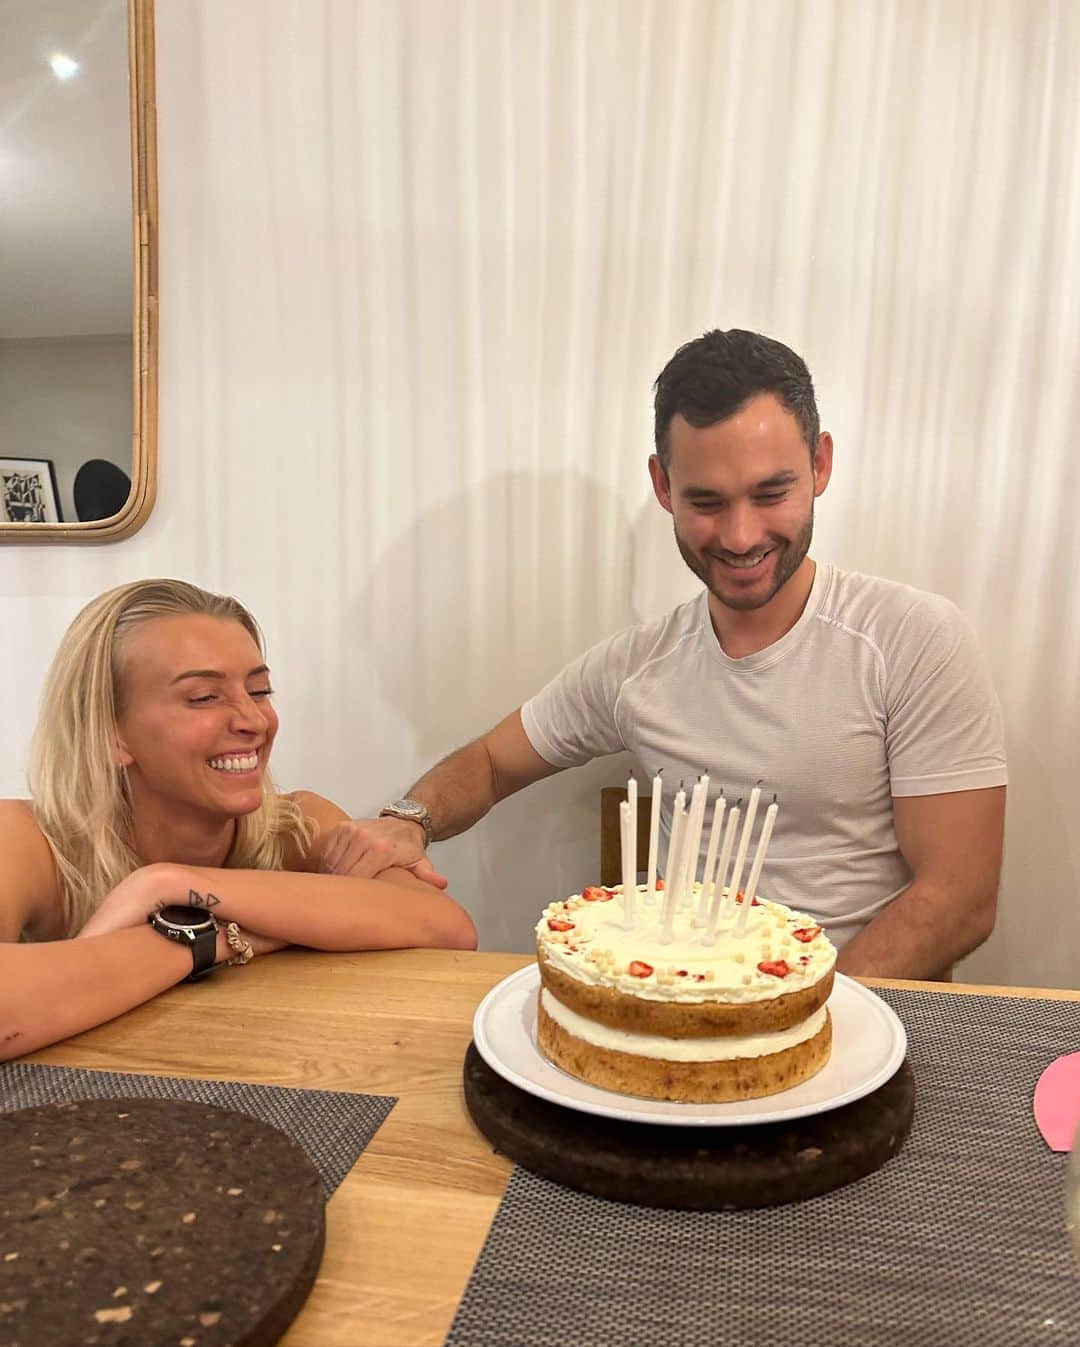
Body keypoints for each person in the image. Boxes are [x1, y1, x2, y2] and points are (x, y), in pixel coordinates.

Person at [321, 329, 1007, 978]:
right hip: (675, 1007)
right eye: (705, 501)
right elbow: (493, 762)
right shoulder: (637, 667)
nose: (741, 536)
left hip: (848, 1019)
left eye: (772, 492)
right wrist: (406, 822)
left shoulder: (913, 639)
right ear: (662, 486)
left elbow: (959, 896)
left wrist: (801, 1016)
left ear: (820, 463)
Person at [0, 579, 476, 1061]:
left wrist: (172, 883)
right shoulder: (26, 839)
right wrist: (212, 937)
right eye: (204, 697)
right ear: (110, 734)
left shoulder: (295, 824)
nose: (254, 719)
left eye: (259, 689)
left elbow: (447, 927)